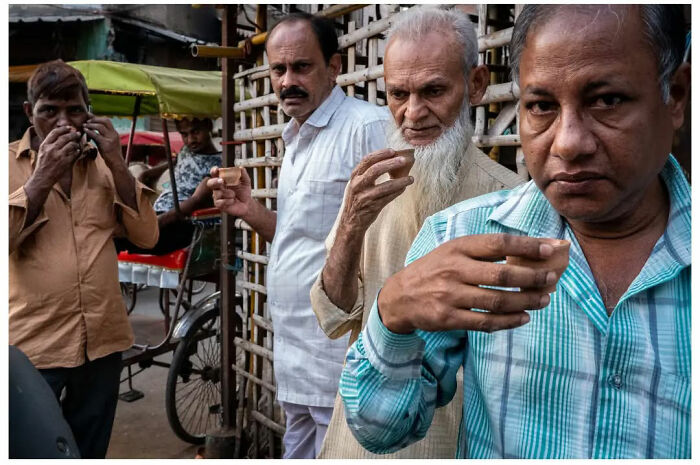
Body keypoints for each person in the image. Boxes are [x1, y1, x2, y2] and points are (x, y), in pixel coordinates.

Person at [340, 4, 690, 459]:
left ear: (676, 96)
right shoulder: (438, 221)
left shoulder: (490, 206)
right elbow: (337, 321)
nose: (568, 143)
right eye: (542, 105)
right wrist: (391, 309)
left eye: (606, 100)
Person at [310, 7, 524, 459]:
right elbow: (333, 316)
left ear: (477, 85)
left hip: (458, 439)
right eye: (398, 93)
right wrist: (350, 226)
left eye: (433, 91)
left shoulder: (511, 202)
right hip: (361, 438)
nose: (413, 113)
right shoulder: (369, 187)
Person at [208, 13, 389, 458]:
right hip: (293, 348)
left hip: (336, 351)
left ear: (335, 66)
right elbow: (303, 239)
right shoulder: (297, 137)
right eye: (278, 69)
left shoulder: (366, 128)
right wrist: (250, 211)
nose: (288, 80)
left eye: (302, 67)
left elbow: (392, 238)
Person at [9, 59, 159, 458]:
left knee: (90, 448)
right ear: (30, 113)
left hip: (103, 341)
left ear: (88, 114)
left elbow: (147, 236)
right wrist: (41, 177)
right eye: (49, 110)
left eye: (74, 110)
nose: (63, 121)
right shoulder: (8, 164)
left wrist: (117, 163)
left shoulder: (104, 166)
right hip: (33, 347)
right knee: (31, 448)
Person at [115, 117, 221, 255]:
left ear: (208, 126)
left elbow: (196, 201)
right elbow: (170, 165)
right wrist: (145, 176)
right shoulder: (185, 151)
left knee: (118, 240)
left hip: (181, 224)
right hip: (157, 216)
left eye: (195, 132)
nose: (190, 140)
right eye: (184, 134)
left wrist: (153, 224)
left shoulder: (217, 165)